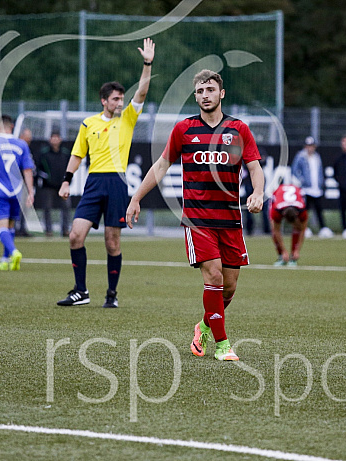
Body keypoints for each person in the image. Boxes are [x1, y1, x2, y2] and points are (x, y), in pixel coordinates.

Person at [127, 69, 265, 361]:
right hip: (198, 219)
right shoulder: (184, 130)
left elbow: (254, 166)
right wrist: (136, 198)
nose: (205, 95)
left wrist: (258, 192)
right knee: (213, 275)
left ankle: (204, 325)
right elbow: (161, 166)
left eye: (210, 90)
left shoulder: (239, 129)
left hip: (230, 219)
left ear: (221, 93)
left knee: (228, 287)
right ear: (195, 96)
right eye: (200, 91)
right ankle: (223, 345)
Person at [57, 38, 155, 308]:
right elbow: (78, 154)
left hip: (116, 182)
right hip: (94, 182)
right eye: (115, 98)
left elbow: (143, 92)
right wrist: (66, 181)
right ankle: (80, 291)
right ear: (104, 101)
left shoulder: (127, 118)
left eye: (122, 98)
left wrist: (147, 63)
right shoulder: (88, 123)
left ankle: (111, 295)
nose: (120, 102)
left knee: (112, 242)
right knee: (76, 235)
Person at [0, 115, 35, 271]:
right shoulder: (22, 144)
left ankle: (13, 252)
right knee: (10, 226)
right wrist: (30, 191)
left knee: (1, 227)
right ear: (11, 126)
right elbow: (28, 170)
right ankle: (5, 260)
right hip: (17, 190)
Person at [291, 136, 332, 238]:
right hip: (306, 189)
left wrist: (321, 183)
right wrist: (302, 181)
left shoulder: (317, 157)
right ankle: (304, 228)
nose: (310, 148)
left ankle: (323, 228)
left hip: (316, 188)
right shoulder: (301, 156)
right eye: (308, 146)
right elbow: (294, 170)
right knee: (305, 210)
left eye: (312, 146)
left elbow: (319, 172)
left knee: (319, 209)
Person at [36, 130, 71, 237]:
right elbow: (38, 168)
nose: (55, 140)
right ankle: (48, 230)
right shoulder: (44, 153)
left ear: (60, 139)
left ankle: (65, 229)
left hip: (62, 185)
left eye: (57, 137)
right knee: (47, 207)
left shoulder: (65, 153)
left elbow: (70, 168)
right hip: (48, 186)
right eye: (53, 138)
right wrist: (46, 178)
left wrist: (67, 181)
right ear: (50, 139)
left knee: (66, 207)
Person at [270, 184, 308, 266]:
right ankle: (281, 256)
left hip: (296, 193)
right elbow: (276, 230)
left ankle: (293, 256)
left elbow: (302, 229)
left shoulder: (302, 210)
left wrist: (297, 250)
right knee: (273, 229)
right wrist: (283, 250)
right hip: (277, 195)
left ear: (297, 214)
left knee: (298, 228)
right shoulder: (277, 210)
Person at [15, 127, 34, 237]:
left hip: (26, 183)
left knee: (25, 207)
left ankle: (22, 228)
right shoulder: (18, 149)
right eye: (27, 136)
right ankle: (14, 228)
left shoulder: (28, 149)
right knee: (16, 206)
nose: (29, 139)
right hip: (17, 183)